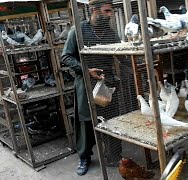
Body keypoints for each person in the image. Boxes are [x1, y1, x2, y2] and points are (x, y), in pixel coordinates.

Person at [61, 0, 122, 176]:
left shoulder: (111, 33)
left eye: (111, 11)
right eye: (107, 11)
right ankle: (84, 157)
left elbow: (121, 55)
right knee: (86, 123)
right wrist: (86, 70)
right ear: (94, 10)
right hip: (86, 85)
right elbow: (66, 57)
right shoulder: (78, 30)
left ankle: (114, 155)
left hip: (107, 84)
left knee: (111, 121)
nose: (110, 15)